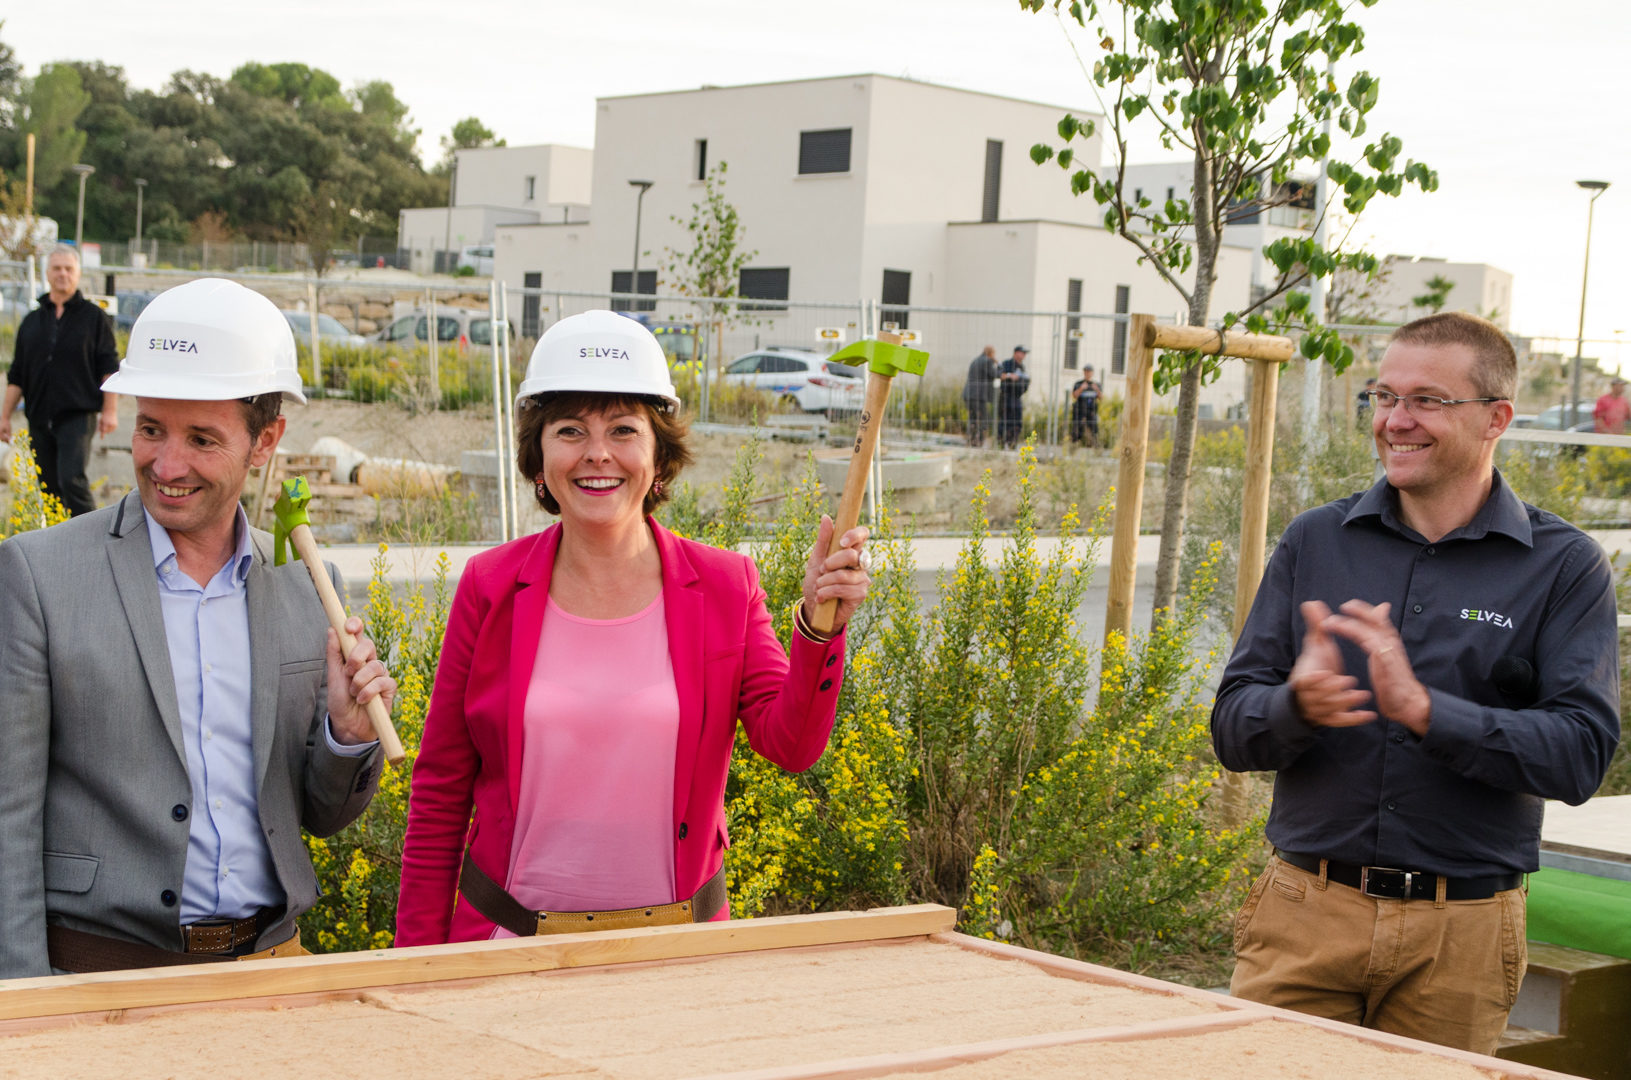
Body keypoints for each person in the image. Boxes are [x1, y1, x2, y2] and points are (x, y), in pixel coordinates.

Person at [1211, 311, 1620, 1056]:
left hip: (1459, 938)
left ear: (1495, 417)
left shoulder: (1563, 567)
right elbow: (1233, 730)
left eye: (1426, 400)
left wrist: (1426, 712)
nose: (1395, 421)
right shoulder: (1315, 541)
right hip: (1303, 912)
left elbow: (1579, 756)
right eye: (1381, 397)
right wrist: (1294, 706)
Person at [395, 310, 872, 945]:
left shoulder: (727, 586)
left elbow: (791, 744)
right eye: (570, 430)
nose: (598, 454)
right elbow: (440, 792)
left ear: (659, 457)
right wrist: (417, 967)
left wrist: (817, 628)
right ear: (539, 458)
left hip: (675, 957)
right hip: (504, 952)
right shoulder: (490, 587)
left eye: (623, 429)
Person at [0, 278, 396, 978]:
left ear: (265, 441)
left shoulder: (307, 587)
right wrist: (26, 1006)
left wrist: (347, 735)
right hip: (99, 980)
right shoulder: (38, 577)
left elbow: (320, 815)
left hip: (272, 971)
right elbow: (7, 819)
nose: (166, 464)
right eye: (152, 429)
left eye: (201, 439)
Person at [0, 244, 120, 516]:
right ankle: (57, 543)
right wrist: (4, 416)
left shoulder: (93, 318)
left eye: (69, 269)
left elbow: (108, 366)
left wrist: (110, 411)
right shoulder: (32, 321)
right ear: (47, 273)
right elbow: (17, 373)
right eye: (57, 268)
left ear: (78, 274)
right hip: (39, 415)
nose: (62, 274)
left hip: (77, 414)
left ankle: (92, 538)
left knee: (71, 479)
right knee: (49, 489)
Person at [963, 346, 1000, 447]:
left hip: (969, 394)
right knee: (983, 420)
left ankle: (971, 440)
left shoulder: (975, 360)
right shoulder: (987, 361)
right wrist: (998, 364)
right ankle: (978, 442)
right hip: (978, 396)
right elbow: (996, 374)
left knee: (973, 419)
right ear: (991, 353)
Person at [996, 345, 1031, 449]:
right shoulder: (1006, 364)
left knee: (1016, 422)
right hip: (1006, 396)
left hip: (1016, 397)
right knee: (1004, 421)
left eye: (1025, 353)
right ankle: (1001, 444)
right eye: (1022, 353)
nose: (1024, 355)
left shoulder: (1022, 368)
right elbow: (999, 375)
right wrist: (1010, 376)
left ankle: (1012, 443)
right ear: (1016, 353)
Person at [1069, 365, 1102, 447]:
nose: (1087, 373)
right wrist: (1081, 388)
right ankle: (1074, 446)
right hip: (1080, 411)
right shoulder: (1078, 383)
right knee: (1077, 429)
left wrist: (1096, 389)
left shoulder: (1096, 385)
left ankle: (1095, 447)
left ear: (1092, 373)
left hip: (1091, 411)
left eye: (1089, 371)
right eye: (1086, 371)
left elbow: (1101, 397)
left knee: (1094, 430)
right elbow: (1074, 395)